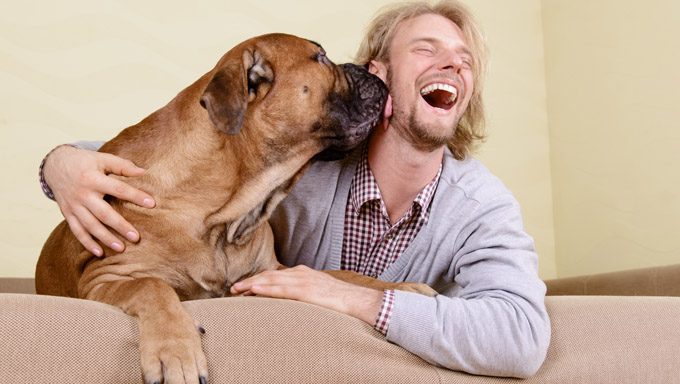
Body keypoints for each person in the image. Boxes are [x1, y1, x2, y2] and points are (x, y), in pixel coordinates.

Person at [39, 1, 550, 378]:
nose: (454, 64)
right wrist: (58, 164)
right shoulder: (291, 164)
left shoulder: (482, 205)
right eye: (427, 49)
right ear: (379, 75)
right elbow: (159, 159)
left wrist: (358, 298)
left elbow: (522, 338)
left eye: (465, 58)